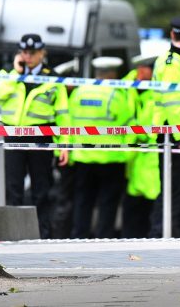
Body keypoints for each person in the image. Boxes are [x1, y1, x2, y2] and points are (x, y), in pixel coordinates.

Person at [0, 34, 69, 239]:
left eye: (32, 52)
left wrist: (65, 146)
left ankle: (42, 235)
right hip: (13, 135)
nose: (28, 56)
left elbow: (63, 115)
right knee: (12, 187)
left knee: (42, 189)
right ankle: (11, 237)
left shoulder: (52, 77)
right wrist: (16, 72)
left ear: (42, 53)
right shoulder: (9, 74)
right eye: (24, 52)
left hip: (41, 137)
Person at [68, 57, 134, 238]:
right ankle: (103, 238)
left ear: (96, 72)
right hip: (111, 159)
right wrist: (128, 156)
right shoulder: (117, 95)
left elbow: (68, 123)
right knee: (108, 203)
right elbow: (130, 127)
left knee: (83, 201)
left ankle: (79, 238)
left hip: (83, 157)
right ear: (113, 73)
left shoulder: (79, 93)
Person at [149, 17, 180, 238]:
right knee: (174, 189)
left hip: (174, 132)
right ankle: (166, 234)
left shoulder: (174, 60)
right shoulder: (173, 63)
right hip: (172, 133)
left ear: (172, 34)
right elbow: (173, 103)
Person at [121, 54, 161, 238]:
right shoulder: (129, 88)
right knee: (134, 209)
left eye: (143, 68)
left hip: (151, 159)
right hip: (135, 160)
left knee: (152, 206)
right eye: (137, 68)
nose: (138, 72)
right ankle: (132, 239)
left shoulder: (155, 95)